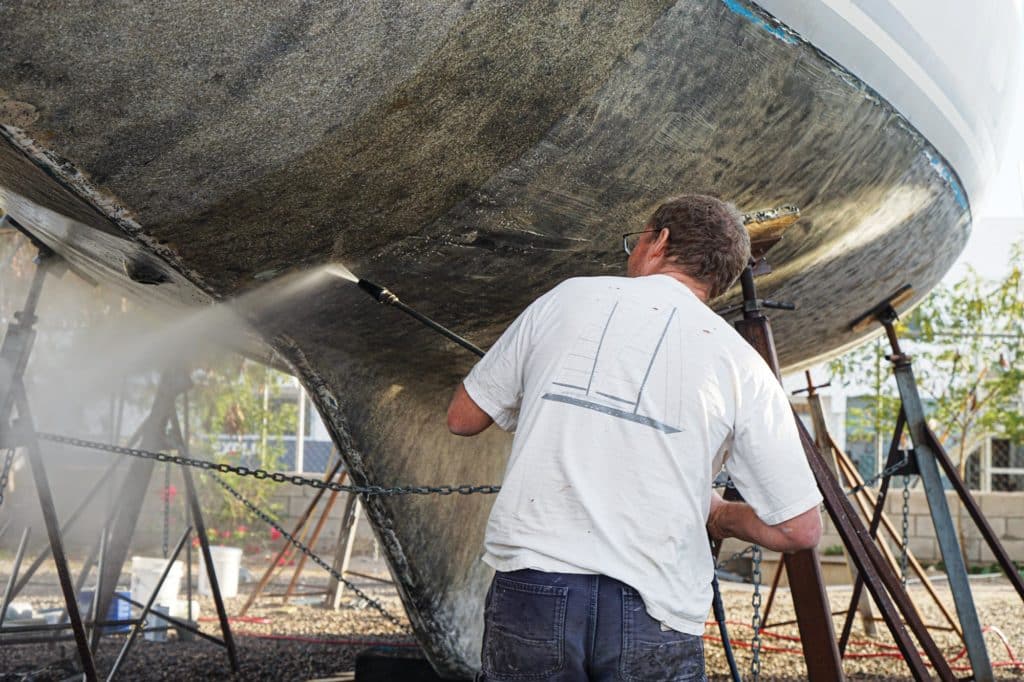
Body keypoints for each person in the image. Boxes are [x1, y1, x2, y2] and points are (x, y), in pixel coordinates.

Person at [447, 194, 822, 681]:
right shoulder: (742, 365)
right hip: (656, 609)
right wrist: (721, 515)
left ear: (658, 241)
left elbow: (462, 417)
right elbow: (799, 529)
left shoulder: (567, 298)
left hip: (537, 587)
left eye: (637, 240)